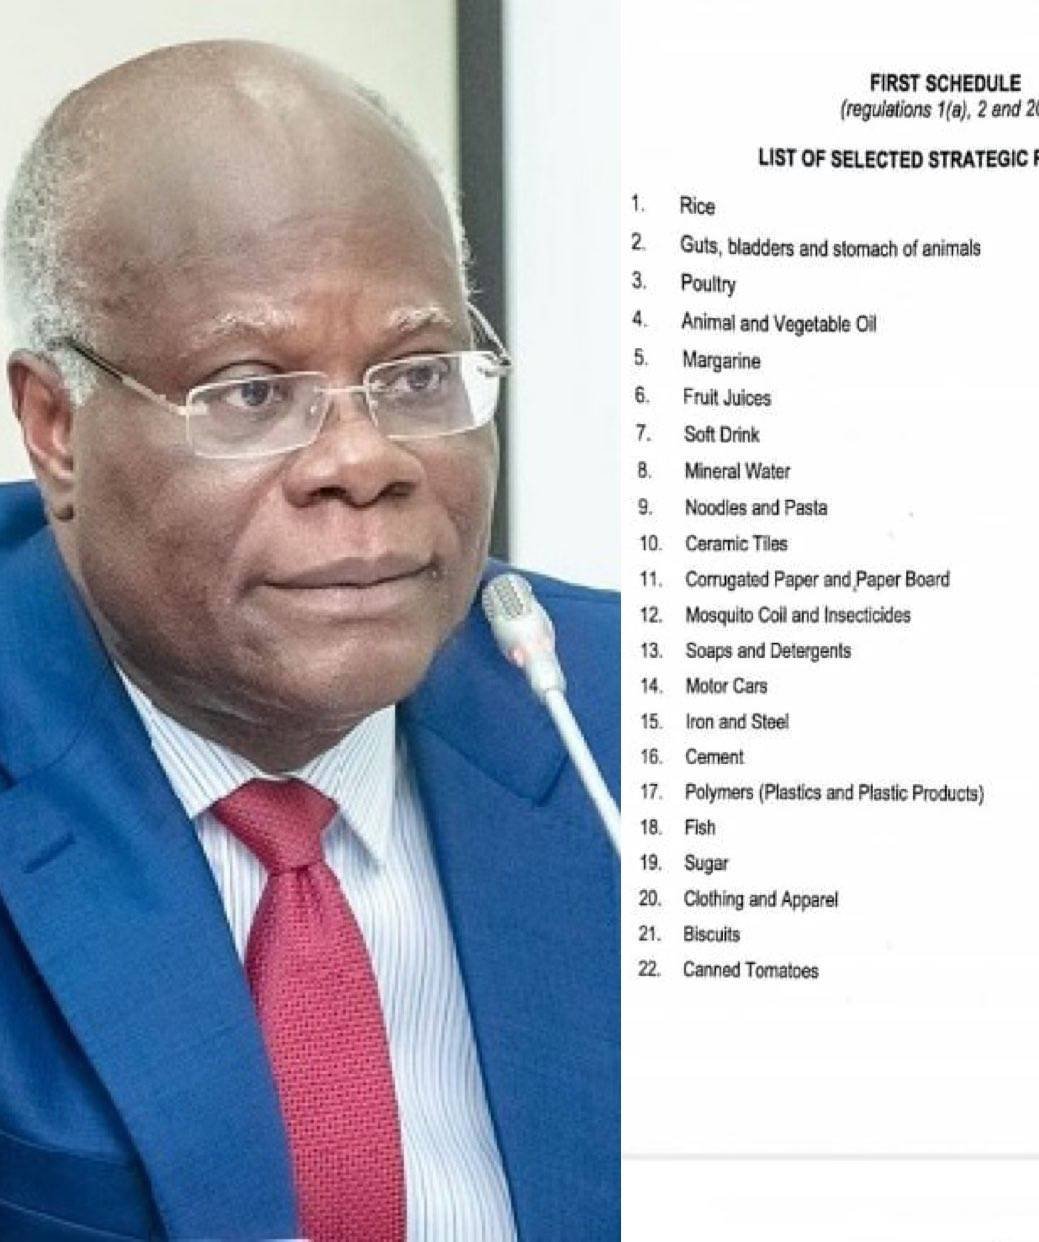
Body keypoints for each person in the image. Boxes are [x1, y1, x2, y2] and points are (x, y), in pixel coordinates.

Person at [0, 40, 618, 1242]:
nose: (363, 463)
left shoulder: (635, 727)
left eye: (419, 375)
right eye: (252, 393)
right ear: (58, 425)